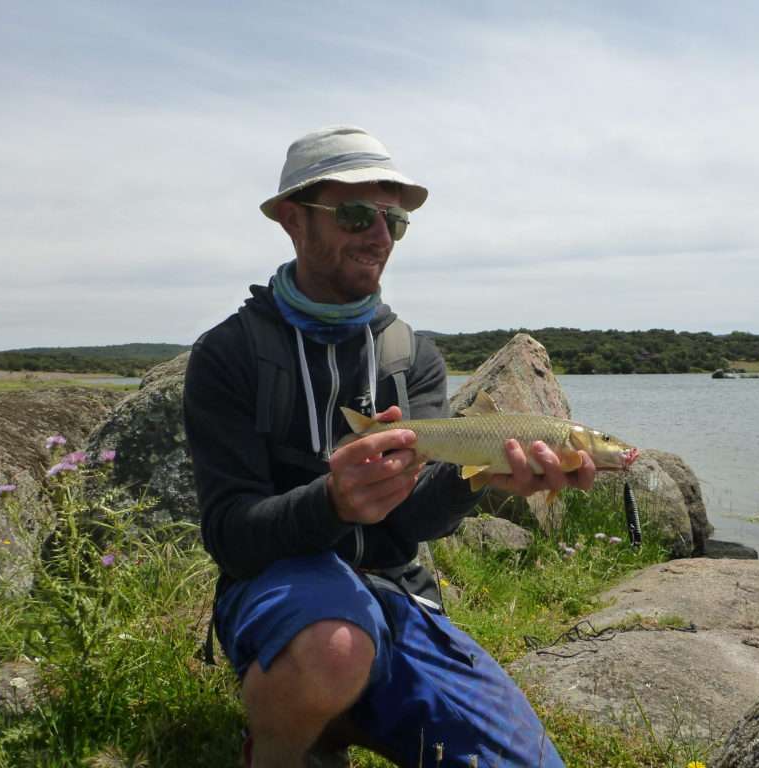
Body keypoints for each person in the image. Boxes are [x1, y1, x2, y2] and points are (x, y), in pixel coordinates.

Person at [183, 125, 597, 768]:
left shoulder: (412, 357)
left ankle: (350, 712)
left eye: (393, 220)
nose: (378, 235)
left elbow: (413, 521)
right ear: (294, 221)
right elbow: (230, 535)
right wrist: (332, 502)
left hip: (396, 594)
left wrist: (477, 478)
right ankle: (283, 746)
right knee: (335, 648)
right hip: (279, 591)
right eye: (354, 214)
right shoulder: (229, 354)